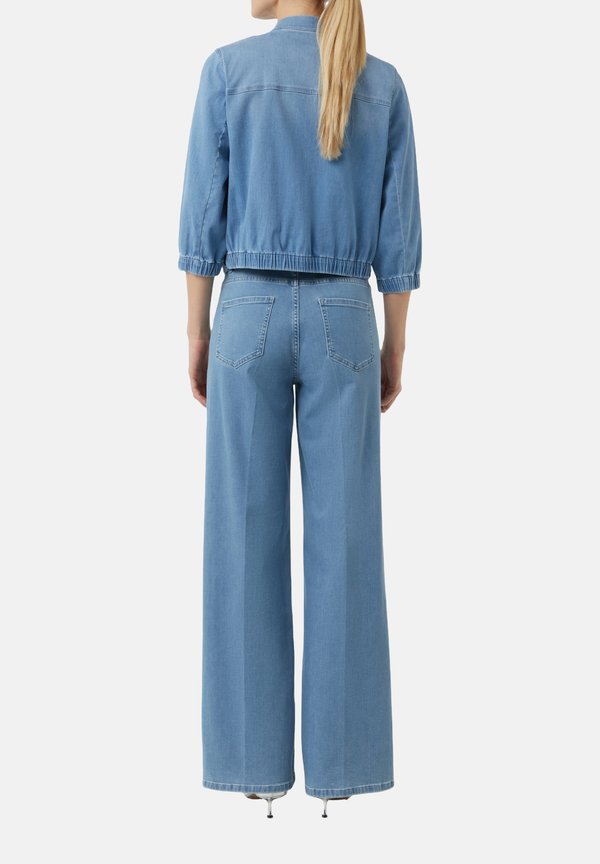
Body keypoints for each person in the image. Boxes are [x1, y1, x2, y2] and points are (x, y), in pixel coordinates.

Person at [178, 0, 422, 820]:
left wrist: (197, 332)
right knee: (345, 542)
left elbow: (200, 220)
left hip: (244, 310)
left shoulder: (228, 71)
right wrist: (394, 345)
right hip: (345, 317)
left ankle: (253, 767)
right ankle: (341, 770)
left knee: (242, 538)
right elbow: (400, 238)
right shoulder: (380, 83)